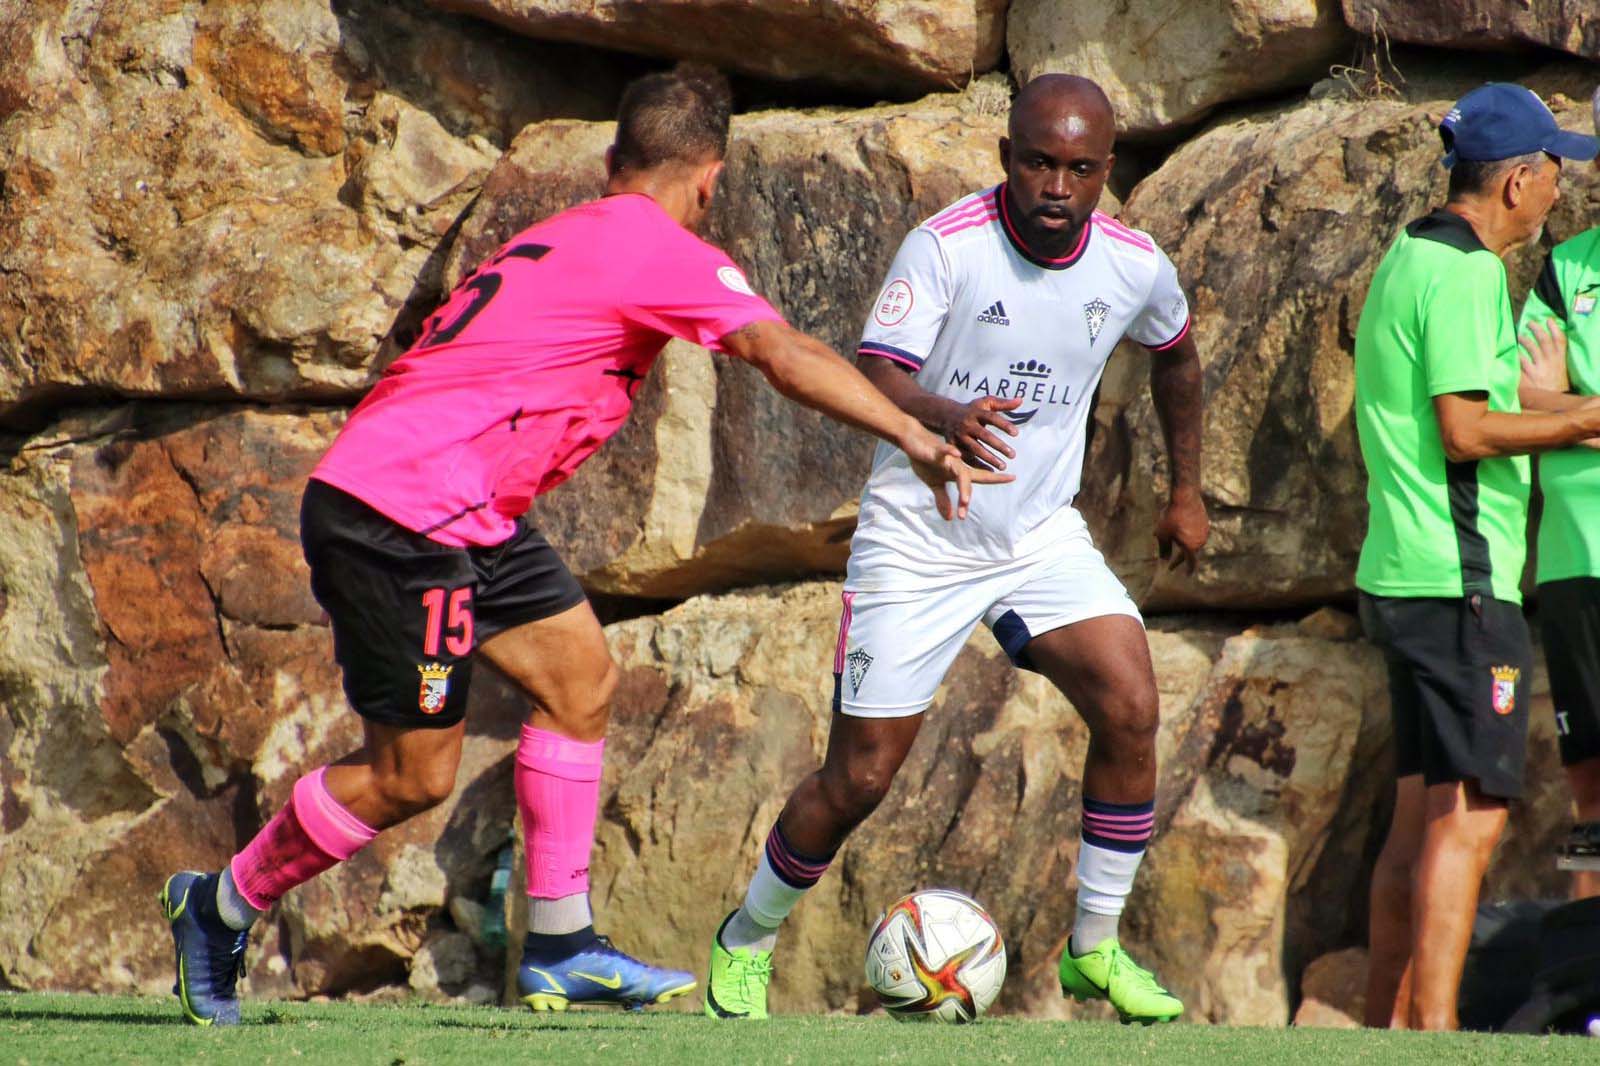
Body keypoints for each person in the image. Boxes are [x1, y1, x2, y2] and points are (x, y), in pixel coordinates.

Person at [158, 63, 1002, 1027]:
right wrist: (916, 436)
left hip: (460, 510)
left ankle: (559, 943)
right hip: (404, 517)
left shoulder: (566, 232)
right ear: (709, 181)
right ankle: (219, 904)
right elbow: (783, 352)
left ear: (614, 161)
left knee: (580, 678)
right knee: (414, 775)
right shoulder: (659, 245)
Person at [701, 74, 1208, 1025]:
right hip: (920, 535)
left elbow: (1176, 353)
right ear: (1007, 157)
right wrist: (945, 416)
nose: (1057, 185)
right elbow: (879, 368)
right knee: (860, 777)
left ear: (1107, 170)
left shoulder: (1134, 265)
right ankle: (747, 936)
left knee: (1132, 703)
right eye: (1038, 162)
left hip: (1037, 535)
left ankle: (1094, 950)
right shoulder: (947, 246)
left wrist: (1185, 491)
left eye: (1080, 168)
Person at [1354, 82, 1600, 1032]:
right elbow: (1463, 430)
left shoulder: (1410, 255)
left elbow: (1491, 400)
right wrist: (1584, 414)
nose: (1559, 196)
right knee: (1475, 819)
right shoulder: (1465, 278)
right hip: (1460, 585)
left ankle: (1385, 1033)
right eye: (1552, 176)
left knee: (1418, 821)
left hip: (1403, 576)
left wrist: (1575, 416)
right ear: (1517, 182)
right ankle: (1440, 1035)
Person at [1516, 85, 1600, 902]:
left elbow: (1552, 396)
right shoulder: (1569, 267)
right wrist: (1583, 410)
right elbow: (1516, 393)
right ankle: (1588, 985)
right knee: (1592, 791)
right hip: (1577, 560)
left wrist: (1569, 400)